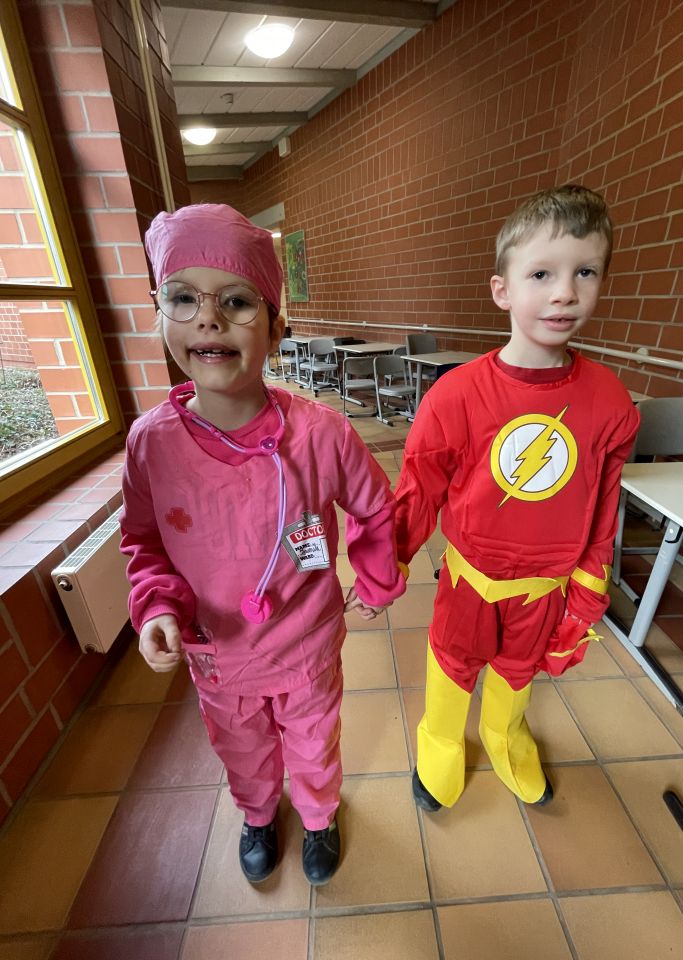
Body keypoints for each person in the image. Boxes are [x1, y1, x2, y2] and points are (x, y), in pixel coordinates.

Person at [119, 203, 406, 886]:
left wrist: (375, 579)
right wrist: (156, 607)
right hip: (219, 654)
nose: (208, 320)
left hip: (305, 644)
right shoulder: (151, 444)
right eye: (182, 299)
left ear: (276, 325)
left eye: (236, 301)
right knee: (240, 748)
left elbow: (376, 509)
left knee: (314, 741)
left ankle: (318, 816)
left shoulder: (321, 434)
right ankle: (256, 813)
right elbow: (143, 541)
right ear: (159, 314)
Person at [394, 184, 640, 812]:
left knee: (518, 667)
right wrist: (387, 560)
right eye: (541, 274)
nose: (565, 293)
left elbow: (603, 505)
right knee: (452, 660)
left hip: (545, 584)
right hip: (469, 579)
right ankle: (441, 743)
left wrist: (588, 587)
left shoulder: (610, 403)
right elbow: (419, 487)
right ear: (502, 289)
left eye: (585, 272)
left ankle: (504, 738)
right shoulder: (455, 395)